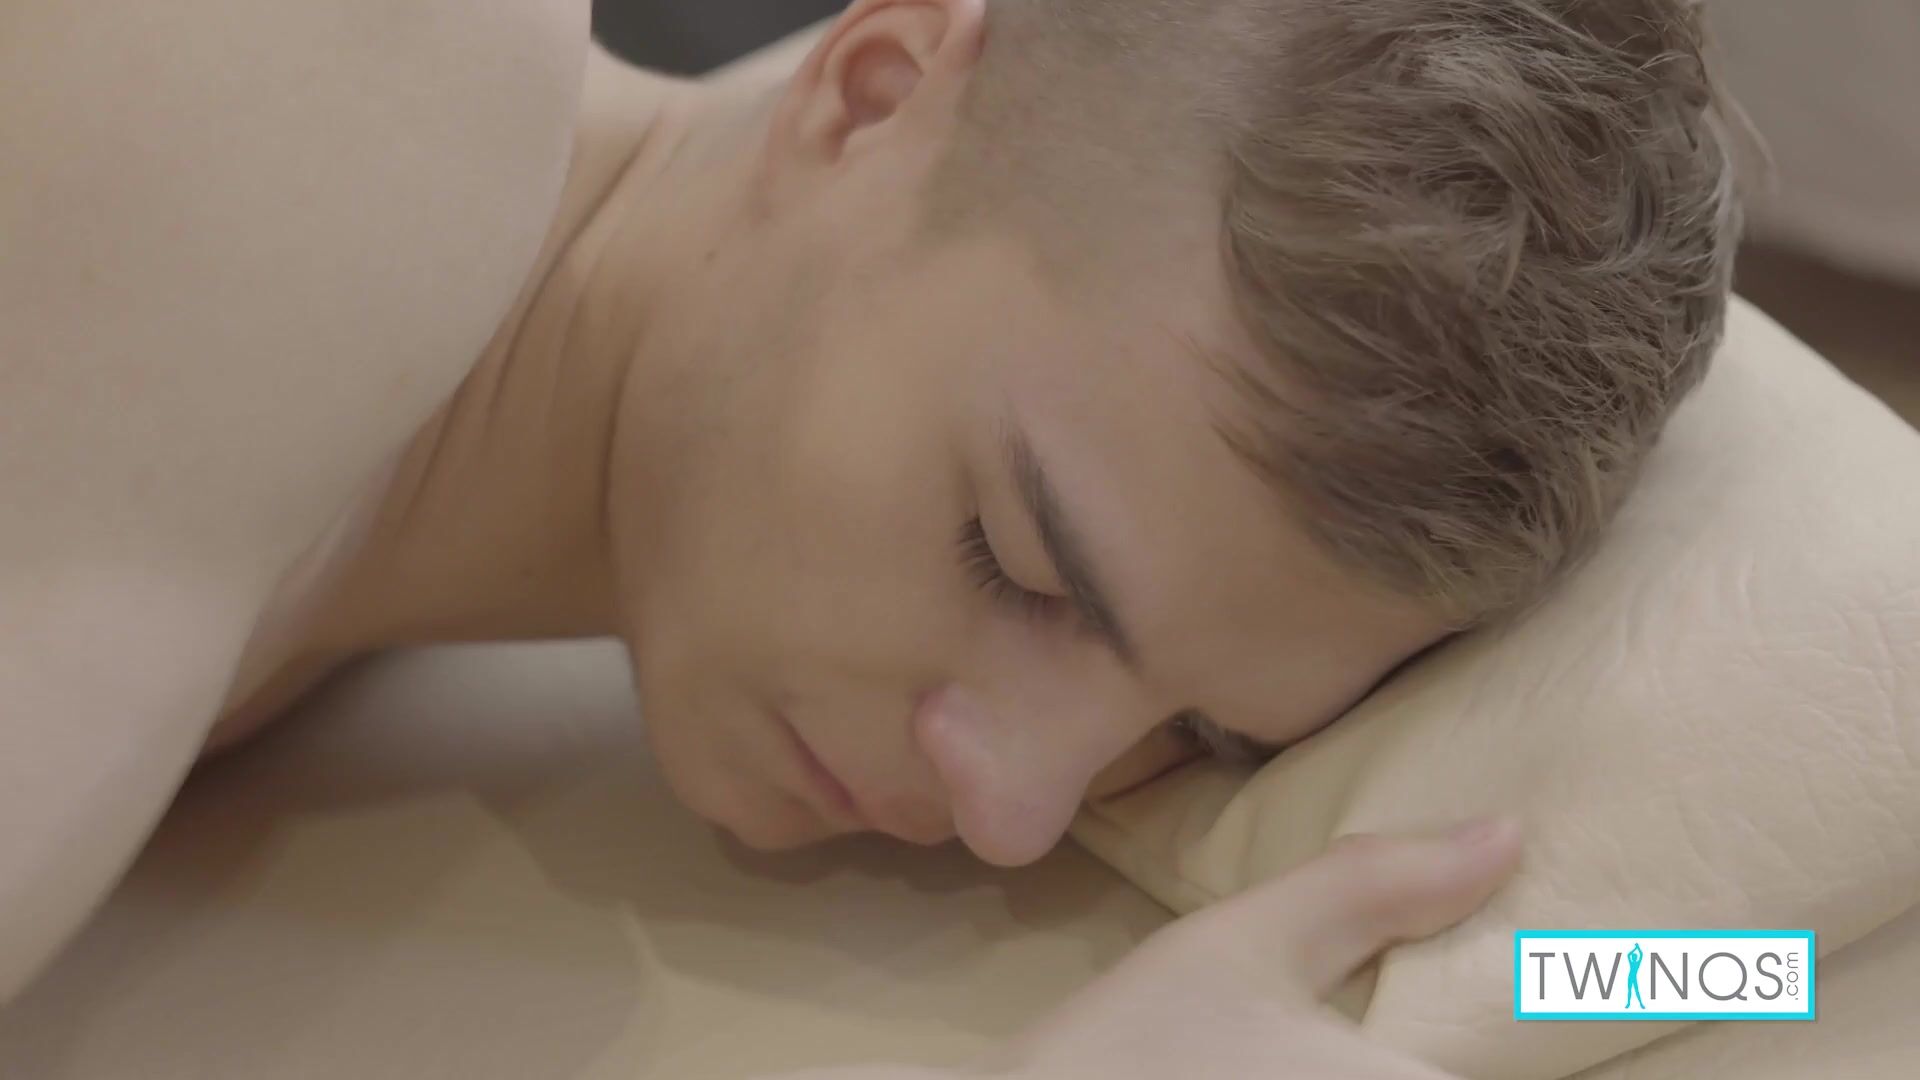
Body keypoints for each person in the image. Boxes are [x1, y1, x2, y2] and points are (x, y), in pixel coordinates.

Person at [1, 0, 1736, 1073]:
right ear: (874, 86)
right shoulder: (355, 72)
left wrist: (1715, 968)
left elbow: (1735, 970)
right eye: (1019, 564)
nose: (1012, 809)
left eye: (1193, 740)